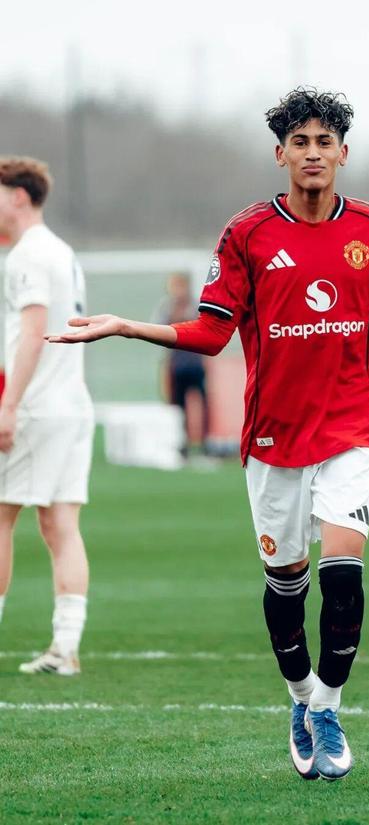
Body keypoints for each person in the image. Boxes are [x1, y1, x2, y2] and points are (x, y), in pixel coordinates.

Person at [48, 89, 369, 780]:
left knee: (344, 573)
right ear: (281, 154)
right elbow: (210, 334)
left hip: (353, 429)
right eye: (301, 142)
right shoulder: (247, 233)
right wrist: (125, 326)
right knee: (286, 583)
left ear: (343, 153)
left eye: (325, 141)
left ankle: (328, 705)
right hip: (272, 440)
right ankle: (299, 698)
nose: (314, 153)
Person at [0, 156, 94, 674]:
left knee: (1, 515)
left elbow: (34, 331)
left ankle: (63, 648)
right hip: (72, 403)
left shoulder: (29, 255)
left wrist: (9, 404)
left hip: (37, 406)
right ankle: (65, 648)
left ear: (18, 196)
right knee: (61, 524)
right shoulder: (60, 250)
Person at [153, 272, 209, 456]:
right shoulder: (167, 308)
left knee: (203, 404)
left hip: (196, 362)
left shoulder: (196, 305)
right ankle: (181, 443)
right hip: (177, 364)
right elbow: (158, 330)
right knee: (178, 406)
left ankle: (204, 443)